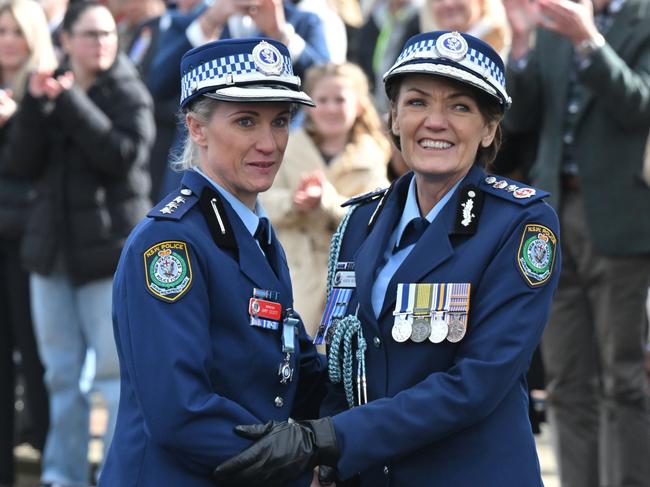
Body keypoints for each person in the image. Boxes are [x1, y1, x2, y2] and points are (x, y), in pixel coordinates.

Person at [214, 30, 562, 487]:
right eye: (417, 102)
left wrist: (329, 438)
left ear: (490, 128)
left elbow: (477, 383)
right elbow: (341, 364)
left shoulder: (520, 225)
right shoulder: (362, 220)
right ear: (393, 118)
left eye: (460, 107)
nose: (435, 122)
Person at [99, 37, 327, 487]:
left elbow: (294, 367)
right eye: (246, 121)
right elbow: (180, 411)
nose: (268, 142)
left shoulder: (254, 234)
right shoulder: (170, 243)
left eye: (280, 121)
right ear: (196, 128)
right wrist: (301, 462)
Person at [1, 1, 155, 485]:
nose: (101, 43)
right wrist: (33, 102)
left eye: (107, 34)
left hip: (107, 256)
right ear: (66, 40)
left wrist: (69, 103)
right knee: (60, 377)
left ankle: (112, 474)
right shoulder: (49, 87)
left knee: (112, 379)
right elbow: (20, 164)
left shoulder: (129, 90)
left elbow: (122, 155)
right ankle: (60, 475)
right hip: (51, 257)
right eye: (89, 35)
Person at [502, 0, 650, 485]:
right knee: (566, 382)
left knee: (624, 377)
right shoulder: (551, 22)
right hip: (552, 218)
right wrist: (520, 42)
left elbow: (640, 107)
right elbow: (519, 120)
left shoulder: (641, 19)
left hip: (622, 216)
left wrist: (588, 40)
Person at [261, 61, 391, 337]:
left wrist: (329, 202)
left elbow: (377, 213)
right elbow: (262, 200)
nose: (331, 108)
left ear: (357, 105)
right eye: (322, 100)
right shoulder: (288, 147)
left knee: (337, 352)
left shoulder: (371, 154)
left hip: (348, 277)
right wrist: (293, 203)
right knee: (290, 346)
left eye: (340, 100)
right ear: (309, 105)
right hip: (295, 269)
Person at [0, 1, 56, 484]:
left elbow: (34, 169)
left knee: (38, 358)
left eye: (16, 30)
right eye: (0, 30)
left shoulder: (48, 87)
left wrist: (19, 120)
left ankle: (47, 456)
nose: (7, 40)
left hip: (32, 246)